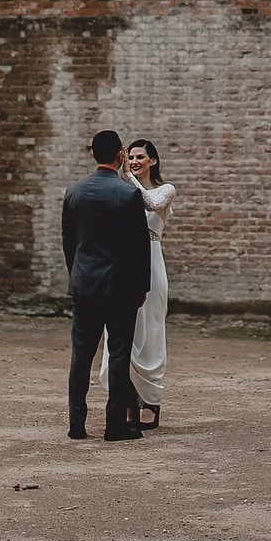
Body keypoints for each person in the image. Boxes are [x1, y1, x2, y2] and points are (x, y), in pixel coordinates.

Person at [61, 129, 151, 442]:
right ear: (121, 155)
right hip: (120, 287)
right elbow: (140, 249)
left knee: (81, 356)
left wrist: (78, 274)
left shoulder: (75, 191)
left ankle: (76, 423)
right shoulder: (128, 195)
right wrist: (142, 288)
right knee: (118, 354)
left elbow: (69, 242)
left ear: (93, 154)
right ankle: (114, 425)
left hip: (84, 284)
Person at [99, 138, 176, 430]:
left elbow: (152, 203)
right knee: (120, 334)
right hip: (124, 265)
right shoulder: (119, 192)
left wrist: (128, 177)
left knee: (151, 330)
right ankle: (128, 398)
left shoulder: (165, 190)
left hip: (152, 264)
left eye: (140, 156)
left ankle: (152, 401)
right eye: (130, 156)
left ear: (152, 161)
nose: (134, 160)